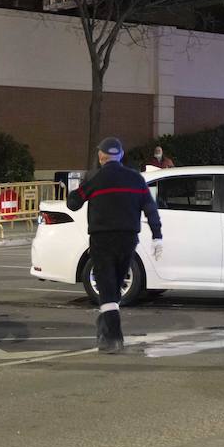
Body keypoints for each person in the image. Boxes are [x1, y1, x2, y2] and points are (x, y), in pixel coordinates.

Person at [67, 137, 164, 353]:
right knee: (115, 287)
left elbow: (73, 203)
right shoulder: (136, 178)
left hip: (102, 240)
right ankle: (105, 326)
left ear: (101, 156)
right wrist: (157, 236)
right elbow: (150, 208)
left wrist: (76, 189)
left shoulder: (95, 178)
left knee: (107, 288)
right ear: (120, 155)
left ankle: (113, 338)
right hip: (127, 241)